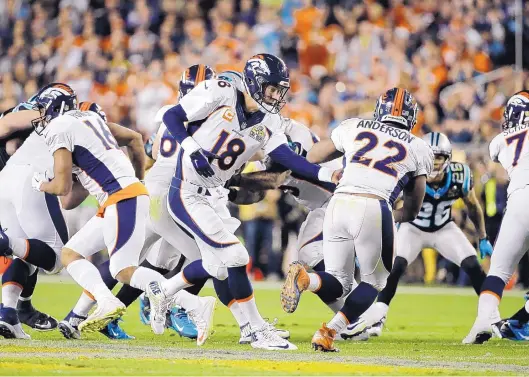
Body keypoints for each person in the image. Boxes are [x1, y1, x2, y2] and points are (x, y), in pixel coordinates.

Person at [147, 53, 341, 351]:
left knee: (218, 265)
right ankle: (255, 331)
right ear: (253, 82)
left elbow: (286, 158)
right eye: (272, 89)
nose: (276, 96)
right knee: (235, 256)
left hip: (211, 194)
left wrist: (327, 173)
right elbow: (172, 115)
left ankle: (164, 291)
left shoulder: (269, 119)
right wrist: (192, 148)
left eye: (280, 90)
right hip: (186, 190)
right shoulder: (221, 90)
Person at [31, 86, 216, 343]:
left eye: (42, 109)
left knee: (123, 270)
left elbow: (61, 189)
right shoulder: (91, 118)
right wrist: (137, 180)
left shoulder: (58, 127)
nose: (40, 116)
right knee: (71, 253)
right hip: (123, 196)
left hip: (120, 197)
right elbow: (135, 139)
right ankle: (98, 304)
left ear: (55, 108)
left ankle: (191, 303)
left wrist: (40, 183)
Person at [281, 88, 433, 352]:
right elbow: (413, 207)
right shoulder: (419, 146)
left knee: (338, 282)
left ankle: (306, 279)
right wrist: (393, 216)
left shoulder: (354, 126)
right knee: (375, 282)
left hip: (338, 203)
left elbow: (314, 155)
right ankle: (329, 331)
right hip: (374, 204)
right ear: (411, 118)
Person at [345, 132, 493, 338]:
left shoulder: (461, 175)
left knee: (473, 267)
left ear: (448, 159)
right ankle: (378, 317)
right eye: (429, 157)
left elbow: (473, 206)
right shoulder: (409, 174)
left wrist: (482, 236)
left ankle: (491, 319)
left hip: (444, 228)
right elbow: (390, 206)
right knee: (394, 269)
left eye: (438, 158)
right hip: (412, 228)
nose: (432, 163)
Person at [0, 84, 75, 339]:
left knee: (23, 251)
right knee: (55, 258)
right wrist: (45, 115)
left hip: (6, 180)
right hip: (25, 180)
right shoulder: (37, 114)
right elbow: (7, 125)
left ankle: (9, 313)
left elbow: (11, 146)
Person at [463, 90, 529, 344]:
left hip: (518, 200)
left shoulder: (499, 140)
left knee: (498, 271)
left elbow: (497, 158)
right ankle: (520, 320)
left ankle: (483, 322)